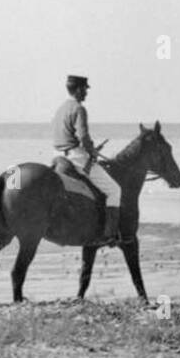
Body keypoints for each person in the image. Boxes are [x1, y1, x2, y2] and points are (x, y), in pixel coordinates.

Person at [52, 75, 121, 243]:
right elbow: (83, 137)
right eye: (85, 89)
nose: (86, 93)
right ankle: (110, 235)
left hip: (58, 156)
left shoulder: (60, 108)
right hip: (76, 158)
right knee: (114, 190)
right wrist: (92, 152)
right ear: (77, 89)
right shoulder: (79, 108)